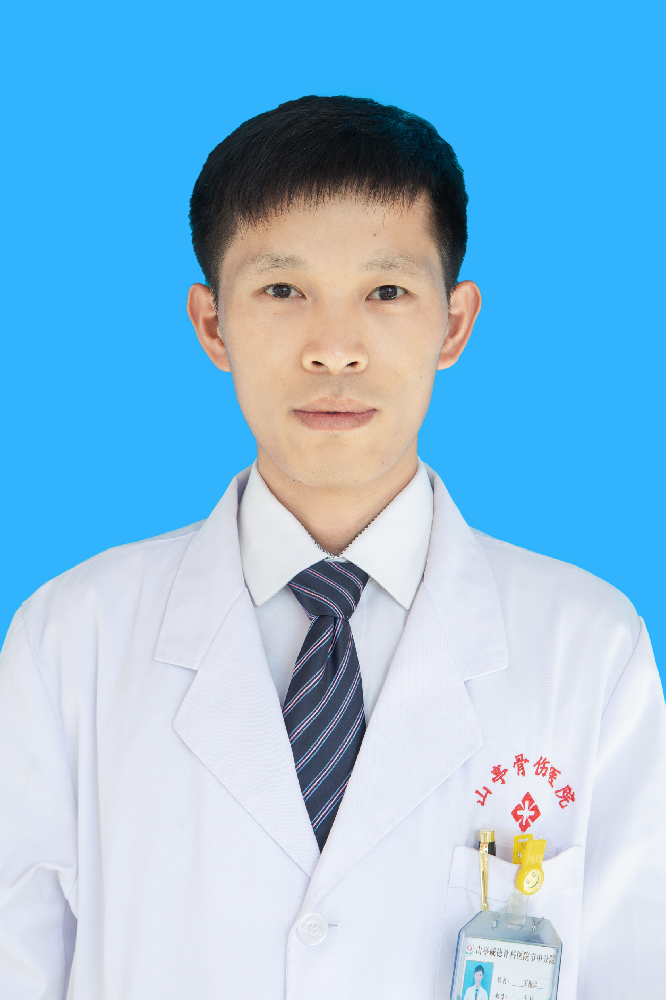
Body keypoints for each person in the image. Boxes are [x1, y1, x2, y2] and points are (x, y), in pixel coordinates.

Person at [0, 95, 664, 1000]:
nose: (335, 349)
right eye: (282, 291)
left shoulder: (590, 649)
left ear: (455, 324)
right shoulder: (69, 640)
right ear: (212, 325)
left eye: (386, 292)